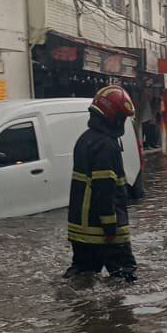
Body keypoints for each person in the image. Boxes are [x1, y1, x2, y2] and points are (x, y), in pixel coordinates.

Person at [66, 85, 137, 282]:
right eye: (122, 117)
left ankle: (79, 311)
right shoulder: (106, 145)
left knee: (82, 276)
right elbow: (104, 189)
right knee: (125, 277)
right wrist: (110, 226)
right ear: (112, 116)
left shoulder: (84, 139)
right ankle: (121, 313)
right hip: (102, 231)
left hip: (80, 231)